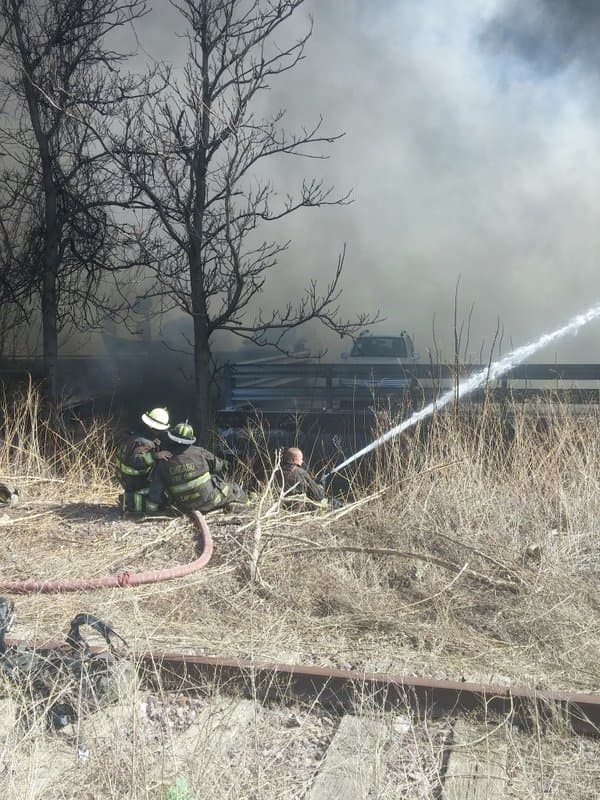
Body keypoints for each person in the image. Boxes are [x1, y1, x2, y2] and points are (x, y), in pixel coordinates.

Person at [145, 421, 249, 515]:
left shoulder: (163, 461)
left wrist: (151, 511)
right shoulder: (199, 452)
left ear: (172, 437)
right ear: (190, 440)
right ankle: (249, 506)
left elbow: (155, 491)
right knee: (234, 489)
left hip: (184, 508)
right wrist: (230, 463)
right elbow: (219, 466)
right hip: (210, 501)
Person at [116, 407, 171, 514]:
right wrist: (156, 455)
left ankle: (131, 497)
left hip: (124, 477)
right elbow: (136, 461)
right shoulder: (145, 442)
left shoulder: (136, 433)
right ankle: (131, 501)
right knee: (162, 495)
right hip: (134, 480)